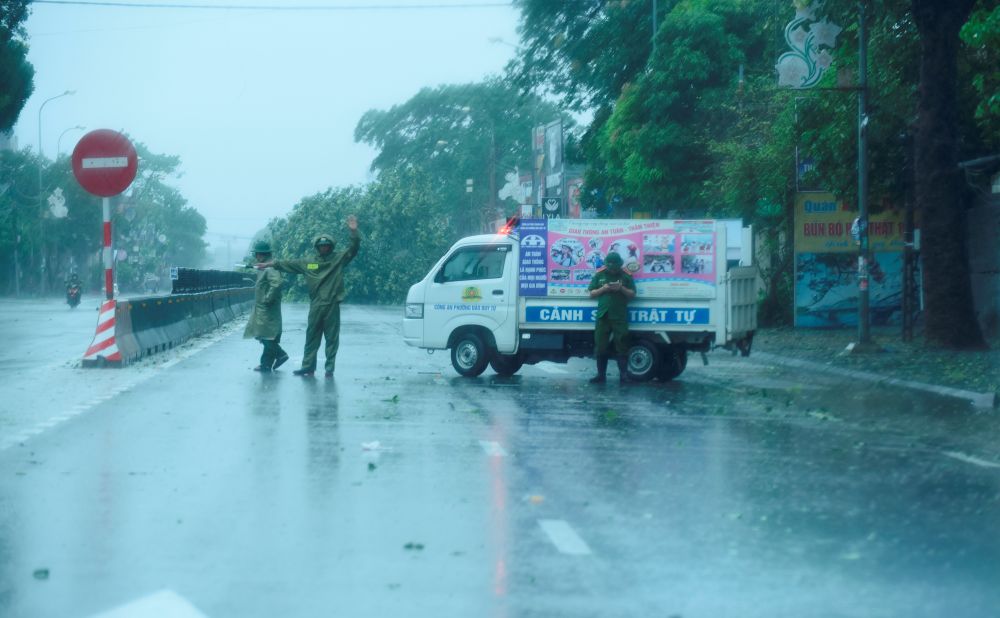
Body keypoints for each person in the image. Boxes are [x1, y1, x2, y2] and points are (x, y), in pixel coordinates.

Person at [257, 215, 360, 377]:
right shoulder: (310, 263)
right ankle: (308, 367)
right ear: (317, 247)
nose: (324, 247)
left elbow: (353, 249)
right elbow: (288, 263)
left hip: (332, 305)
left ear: (331, 246)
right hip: (316, 305)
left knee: (332, 339)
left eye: (327, 245)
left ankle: (329, 368)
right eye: (321, 245)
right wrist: (269, 264)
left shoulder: (338, 259)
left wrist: (353, 232)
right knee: (312, 337)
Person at [586, 251, 636, 384]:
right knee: (601, 346)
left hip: (619, 316)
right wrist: (604, 289)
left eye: (615, 265)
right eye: (609, 264)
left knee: (622, 345)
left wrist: (621, 289)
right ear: (606, 264)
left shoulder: (625, 276)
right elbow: (591, 293)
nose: (612, 267)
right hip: (603, 316)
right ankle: (601, 376)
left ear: (619, 264)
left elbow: (632, 294)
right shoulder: (600, 275)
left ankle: (623, 376)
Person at [244, 241, 288, 372]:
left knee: (267, 336)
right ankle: (266, 364)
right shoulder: (265, 266)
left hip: (267, 307)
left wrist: (267, 298)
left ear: (262, 254)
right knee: (264, 335)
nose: (256, 257)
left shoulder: (270, 267)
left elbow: (277, 283)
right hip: (262, 307)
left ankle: (280, 355)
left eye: (258, 254)